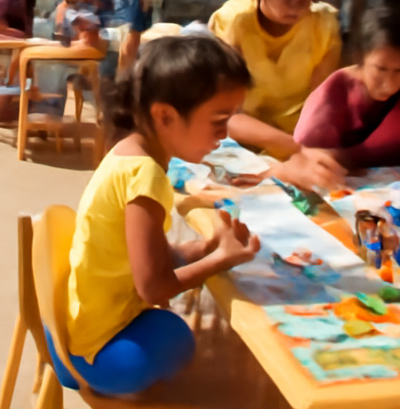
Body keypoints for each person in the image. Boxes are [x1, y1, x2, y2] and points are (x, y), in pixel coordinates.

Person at [50, 35, 261, 397]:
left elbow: (151, 259)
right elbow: (154, 286)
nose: (225, 135)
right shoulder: (145, 177)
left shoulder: (127, 152)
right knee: (181, 340)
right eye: (218, 121)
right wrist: (221, 260)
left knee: (179, 334)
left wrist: (209, 246)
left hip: (75, 330)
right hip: (97, 351)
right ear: (165, 115)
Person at [208, 0, 343, 191]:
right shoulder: (235, 22)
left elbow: (320, 106)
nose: (295, 8)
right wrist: (296, 148)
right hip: (241, 144)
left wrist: (305, 151)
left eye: (303, 1)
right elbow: (225, 114)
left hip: (303, 142)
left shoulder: (323, 25)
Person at [291, 5, 400, 173]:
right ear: (360, 58)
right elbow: (307, 157)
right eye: (380, 69)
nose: (389, 83)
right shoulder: (330, 96)